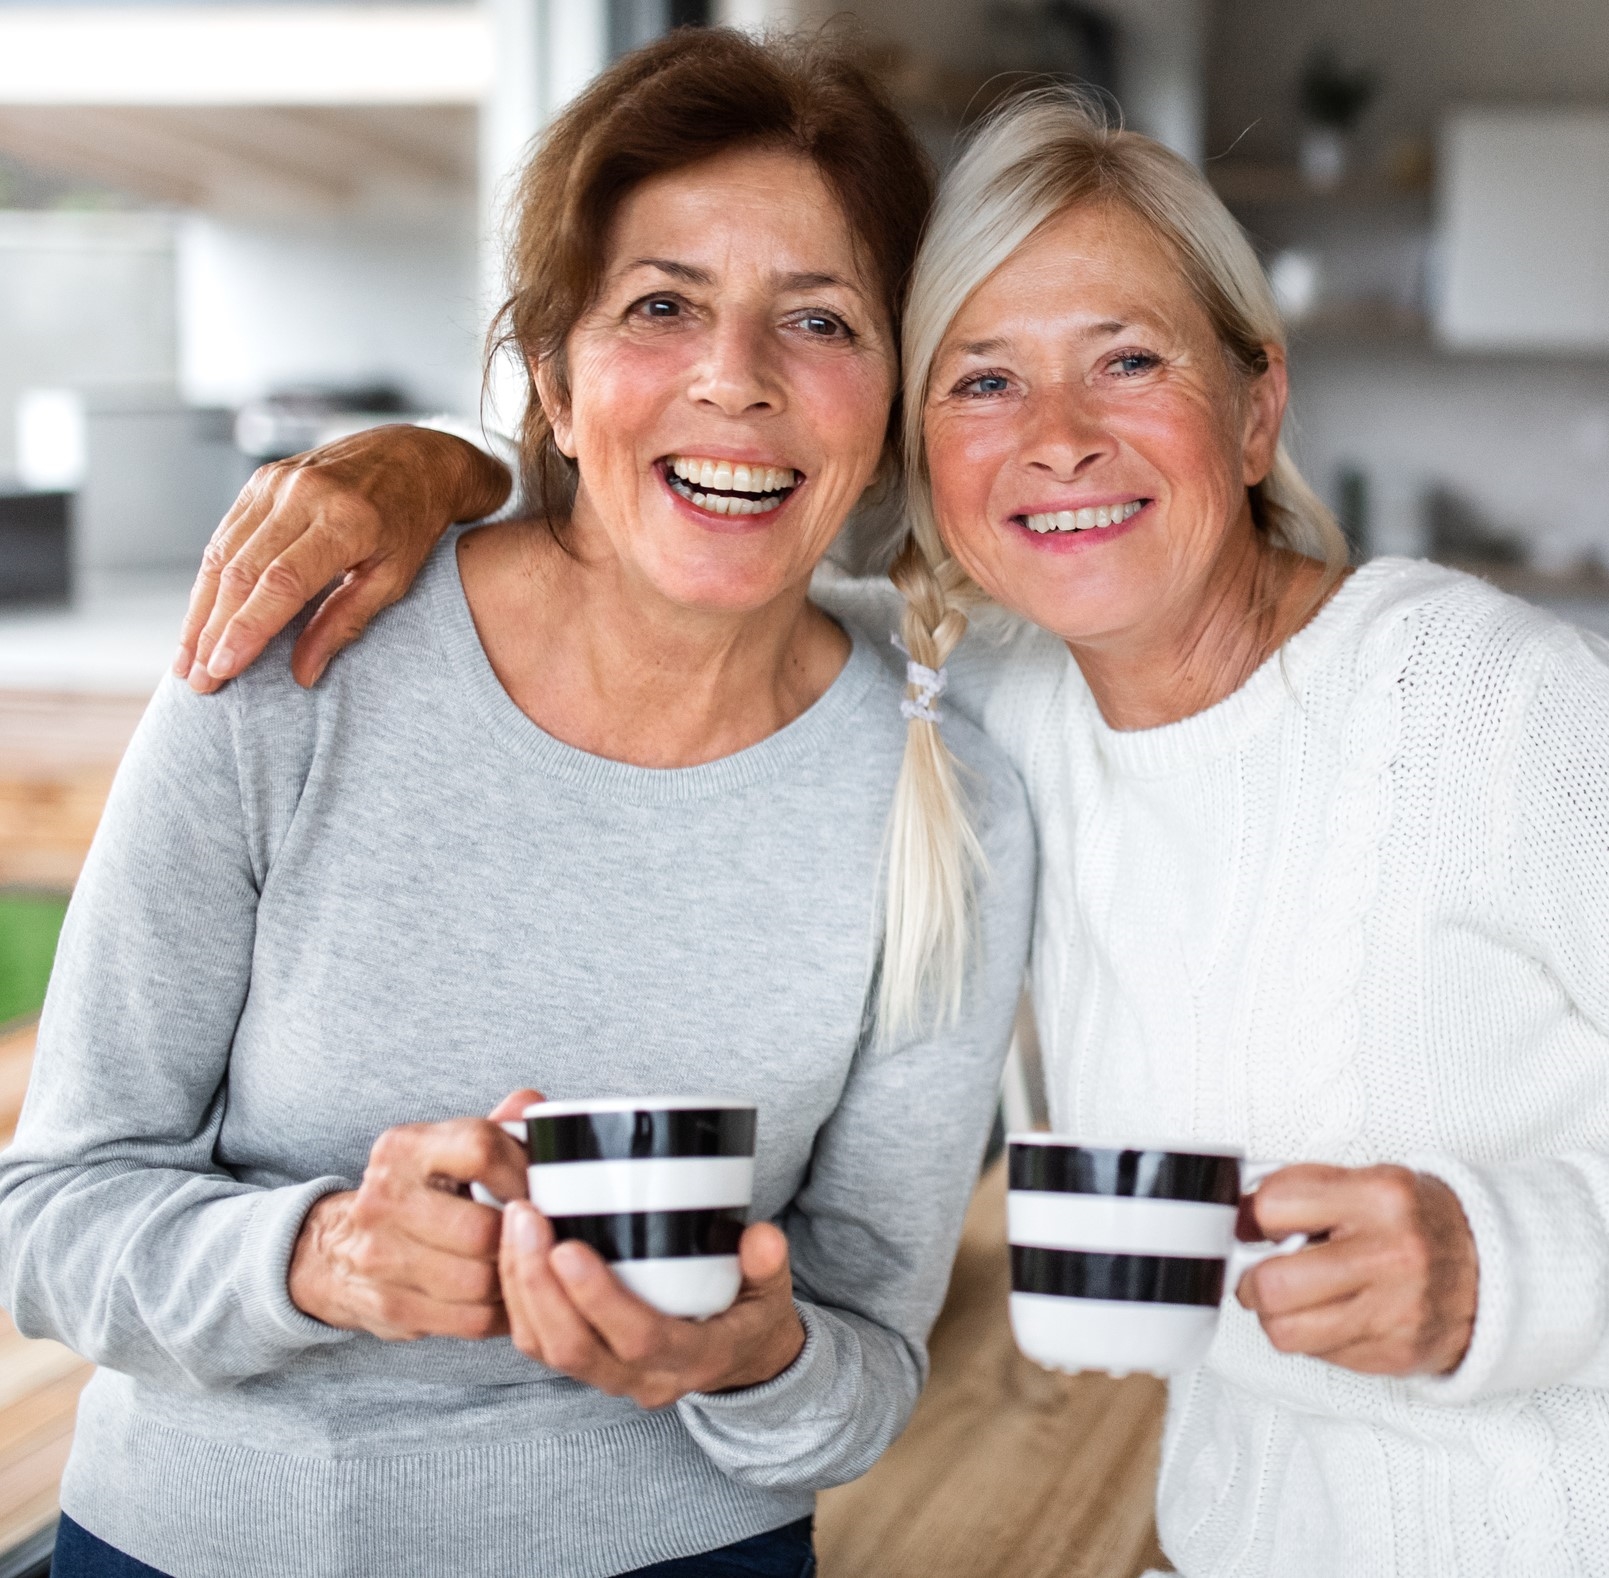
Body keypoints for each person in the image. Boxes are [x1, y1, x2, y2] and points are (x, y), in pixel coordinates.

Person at [204, 86, 1609, 1576]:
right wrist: (430, 464)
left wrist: (1500, 1273)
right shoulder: (988, 694)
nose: (1056, 441)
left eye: (1125, 360)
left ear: (1255, 405)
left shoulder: (1488, 706)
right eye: (981, 381)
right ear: (913, 446)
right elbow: (663, 560)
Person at [0, 31, 1037, 1578]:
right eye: (660, 305)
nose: (733, 378)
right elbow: (50, 1217)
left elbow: (863, 1361)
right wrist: (319, 1258)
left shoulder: (945, 799)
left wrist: (749, 1360)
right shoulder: (301, 659)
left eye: (816, 318)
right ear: (550, 378)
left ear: (889, 398)